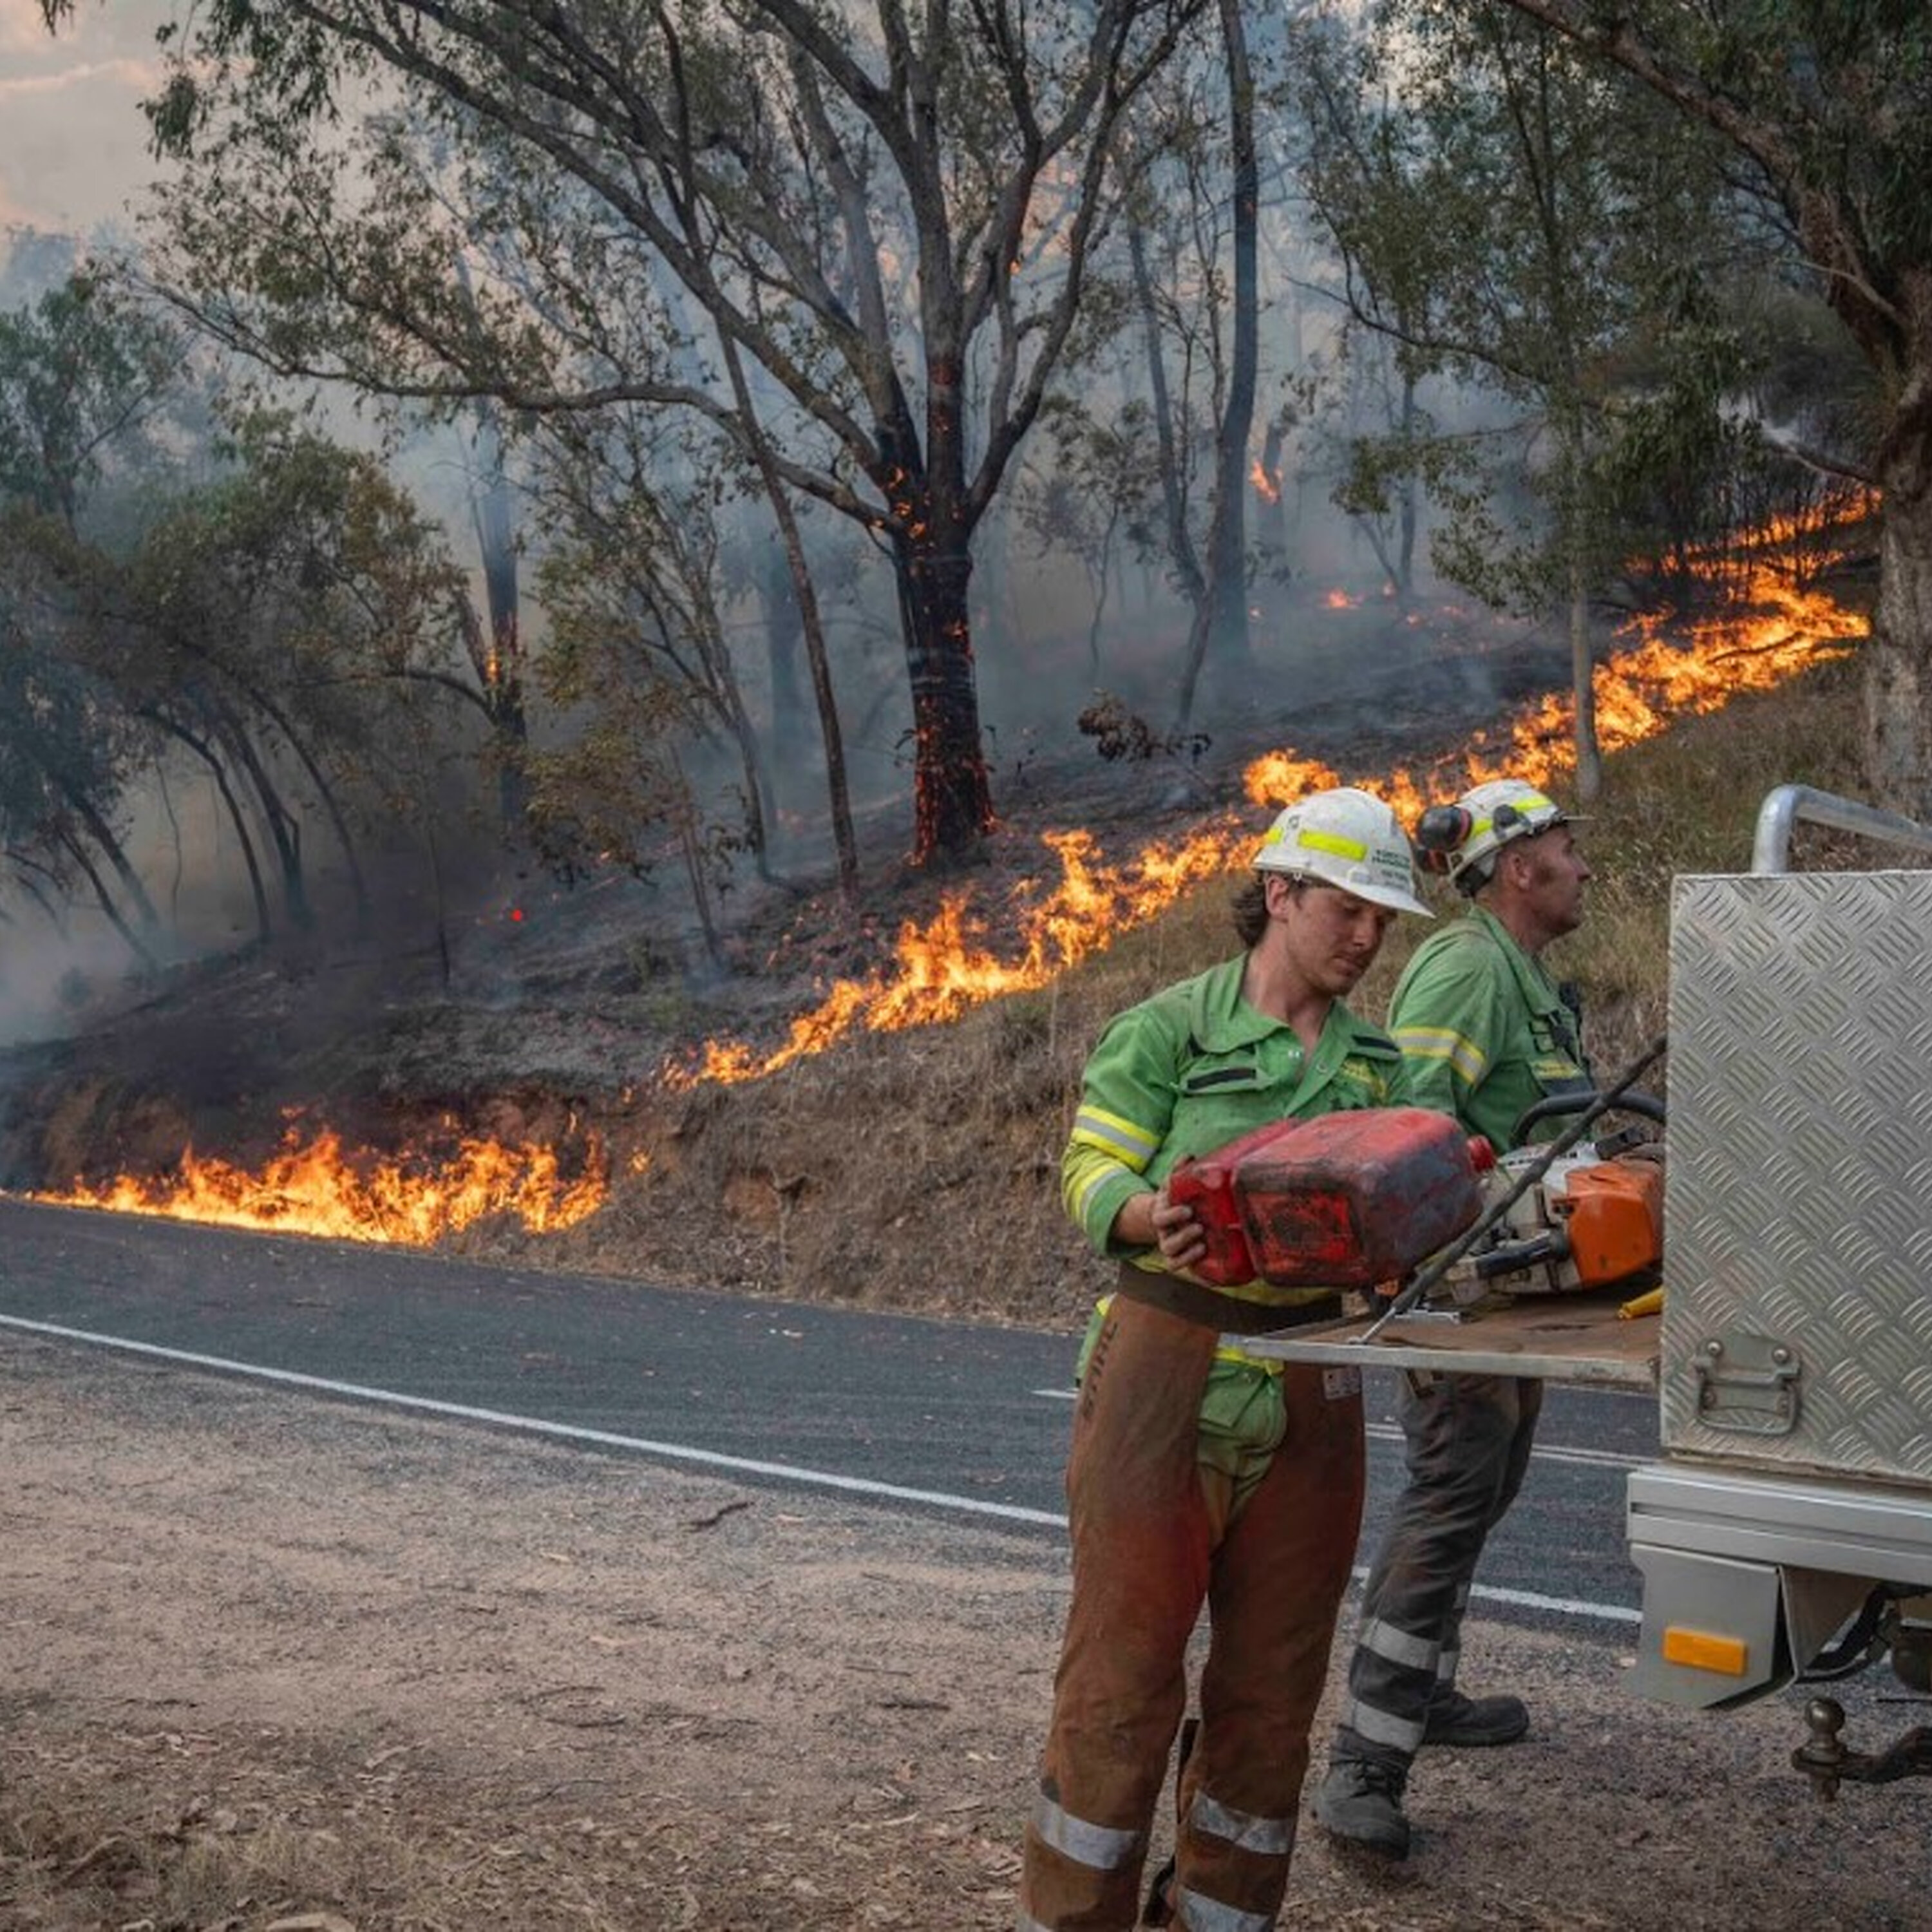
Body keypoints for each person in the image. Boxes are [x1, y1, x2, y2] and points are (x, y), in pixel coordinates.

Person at [1018, 786, 1433, 1932]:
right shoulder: (1172, 1030)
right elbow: (1089, 1171)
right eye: (1348, 911)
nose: (1366, 939)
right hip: (1166, 1368)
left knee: (1273, 1692)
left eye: (1383, 922)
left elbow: (1408, 1217)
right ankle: (1073, 1916)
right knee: (1121, 1681)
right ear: (1278, 894)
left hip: (1314, 1380)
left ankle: (1218, 1915)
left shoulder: (1378, 1066)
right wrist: (1149, 1214)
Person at [1312, 777, 1593, 1861]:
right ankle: (1364, 1764)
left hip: (1521, 1300)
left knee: (1487, 1488)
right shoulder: (1469, 965)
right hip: (1464, 1297)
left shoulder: (1526, 979)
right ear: (1518, 867)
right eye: (1566, 847)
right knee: (1448, 1499)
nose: (1582, 866)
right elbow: (1410, 1129)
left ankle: (1425, 1694)